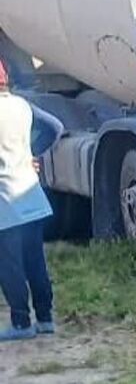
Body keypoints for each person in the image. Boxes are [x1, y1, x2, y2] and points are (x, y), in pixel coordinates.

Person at [0, 58, 63, 341]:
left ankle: (21, 324)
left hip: (6, 203)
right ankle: (45, 318)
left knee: (10, 264)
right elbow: (55, 127)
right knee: (35, 260)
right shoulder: (22, 105)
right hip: (31, 195)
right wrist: (32, 153)